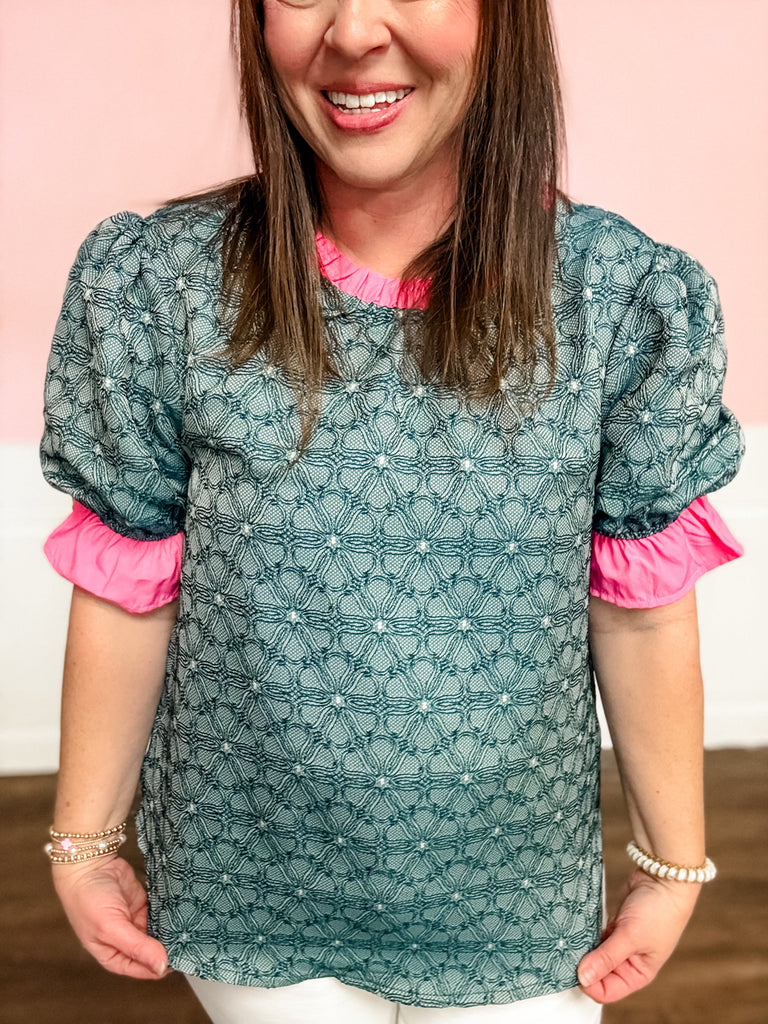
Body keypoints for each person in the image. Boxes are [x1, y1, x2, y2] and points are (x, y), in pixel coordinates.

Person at [38, 1, 745, 1021]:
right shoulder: (161, 289)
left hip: (516, 909)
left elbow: (639, 614)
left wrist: (672, 864)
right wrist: (84, 842)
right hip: (251, 898)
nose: (354, 32)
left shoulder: (621, 301)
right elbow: (126, 583)